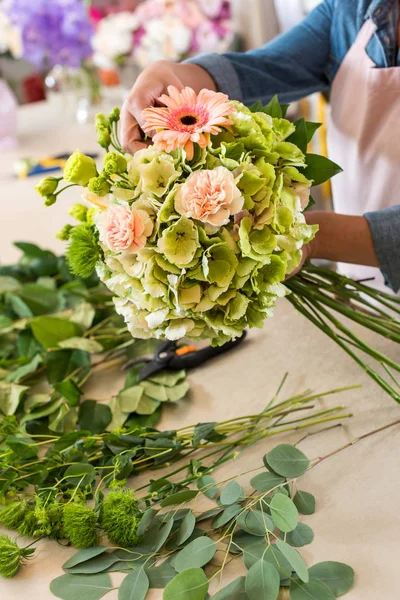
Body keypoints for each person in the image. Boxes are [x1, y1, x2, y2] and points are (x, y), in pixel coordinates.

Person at [120, 0, 400, 293]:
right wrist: (172, 77)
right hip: (364, 289)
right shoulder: (353, 11)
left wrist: (315, 238)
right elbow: (264, 68)